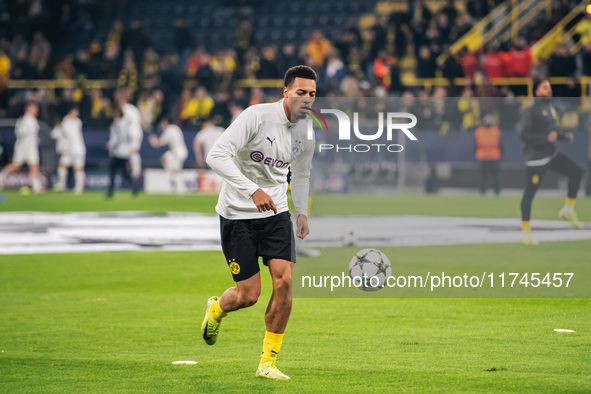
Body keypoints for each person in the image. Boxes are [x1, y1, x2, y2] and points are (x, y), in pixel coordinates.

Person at [201, 65, 317, 380]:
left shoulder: (307, 131)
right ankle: (216, 309)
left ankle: (267, 362)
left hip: (276, 212)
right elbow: (216, 156)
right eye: (301, 93)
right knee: (248, 295)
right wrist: (252, 191)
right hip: (237, 214)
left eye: (312, 94)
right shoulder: (256, 117)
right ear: (286, 92)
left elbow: (302, 173)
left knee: (285, 282)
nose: (306, 99)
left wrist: (301, 211)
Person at [518, 79, 584, 245]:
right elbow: (524, 135)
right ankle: (526, 232)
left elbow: (551, 132)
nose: (549, 89)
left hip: (551, 154)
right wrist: (545, 139)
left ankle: (568, 210)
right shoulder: (531, 111)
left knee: (577, 172)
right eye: (544, 87)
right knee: (529, 194)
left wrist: (563, 136)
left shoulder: (550, 107)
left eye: (549, 87)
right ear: (536, 90)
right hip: (536, 159)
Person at [0, 102, 42, 193]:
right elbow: (20, 132)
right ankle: (1, 177)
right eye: (34, 108)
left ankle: (36, 187)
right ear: (29, 109)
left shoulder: (33, 120)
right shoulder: (24, 120)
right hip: (23, 147)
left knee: (34, 165)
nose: (36, 110)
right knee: (16, 165)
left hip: (31, 147)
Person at [148, 117, 188, 194]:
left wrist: (152, 140)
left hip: (178, 153)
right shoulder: (175, 128)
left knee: (176, 171)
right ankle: (172, 178)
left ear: (166, 123)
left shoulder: (169, 131)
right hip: (176, 152)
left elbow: (158, 144)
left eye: (162, 124)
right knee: (164, 159)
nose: (161, 126)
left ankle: (182, 189)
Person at [52, 107, 86, 194]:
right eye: (75, 112)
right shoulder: (65, 122)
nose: (76, 114)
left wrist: (61, 126)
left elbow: (69, 133)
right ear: (70, 112)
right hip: (68, 150)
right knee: (62, 165)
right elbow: (54, 134)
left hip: (77, 149)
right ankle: (62, 185)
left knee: (78, 168)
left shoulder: (77, 122)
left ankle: (79, 188)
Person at [106, 110, 139, 198]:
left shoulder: (117, 124)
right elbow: (129, 137)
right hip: (125, 152)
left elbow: (118, 137)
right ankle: (135, 185)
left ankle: (110, 192)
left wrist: (112, 144)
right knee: (124, 172)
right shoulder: (126, 125)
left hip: (118, 152)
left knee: (113, 172)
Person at [116, 90, 143, 182]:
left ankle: (136, 172)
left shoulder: (125, 109)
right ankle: (134, 170)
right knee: (132, 152)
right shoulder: (133, 108)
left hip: (133, 133)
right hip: (137, 132)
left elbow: (125, 122)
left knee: (132, 152)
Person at [474, 114, 502, 196]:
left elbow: (474, 145)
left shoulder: (479, 131)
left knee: (483, 177)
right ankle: (497, 192)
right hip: (494, 156)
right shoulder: (496, 130)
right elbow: (501, 145)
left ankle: (482, 192)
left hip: (482, 156)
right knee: (495, 176)